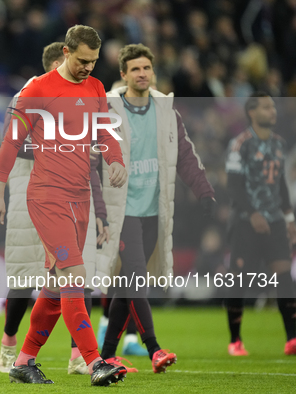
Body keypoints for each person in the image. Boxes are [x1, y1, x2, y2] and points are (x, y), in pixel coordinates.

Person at [0, 25, 128, 386]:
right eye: (82, 61)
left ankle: (24, 361)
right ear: (65, 52)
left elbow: (105, 132)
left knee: (54, 288)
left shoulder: (95, 88)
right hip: (47, 198)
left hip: (80, 198)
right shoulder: (37, 90)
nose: (88, 68)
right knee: (75, 279)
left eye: (94, 62)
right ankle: (95, 362)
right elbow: (10, 144)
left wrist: (115, 160)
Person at [96, 44, 216, 373]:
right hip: (121, 211)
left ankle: (105, 357)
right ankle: (154, 348)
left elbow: (186, 155)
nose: (142, 74)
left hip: (153, 210)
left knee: (127, 283)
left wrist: (203, 190)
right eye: (135, 69)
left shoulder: (166, 110)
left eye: (146, 68)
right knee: (135, 279)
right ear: (123, 74)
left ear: (153, 71)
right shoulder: (106, 110)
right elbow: (92, 159)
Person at [225, 92, 296, 356]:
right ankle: (235, 340)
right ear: (252, 112)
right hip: (245, 223)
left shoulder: (279, 144)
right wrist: (252, 212)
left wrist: (289, 217)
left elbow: (280, 185)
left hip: (274, 220)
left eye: (274, 106)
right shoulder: (240, 143)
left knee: (283, 275)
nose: (273, 110)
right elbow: (232, 185)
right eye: (266, 106)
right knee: (240, 281)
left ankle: (292, 338)